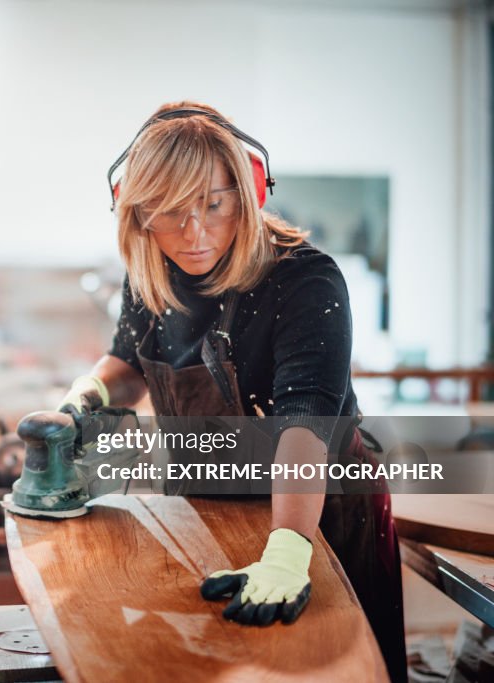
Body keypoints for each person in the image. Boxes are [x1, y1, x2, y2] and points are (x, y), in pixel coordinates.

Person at [59, 101, 406, 682]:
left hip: (317, 514)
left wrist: (290, 549)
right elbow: (128, 361)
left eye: (213, 205)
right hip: (206, 502)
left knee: (332, 666)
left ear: (248, 192)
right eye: (169, 213)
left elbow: (303, 426)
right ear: (137, 213)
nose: (193, 233)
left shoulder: (304, 281)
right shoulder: (153, 272)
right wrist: (89, 393)